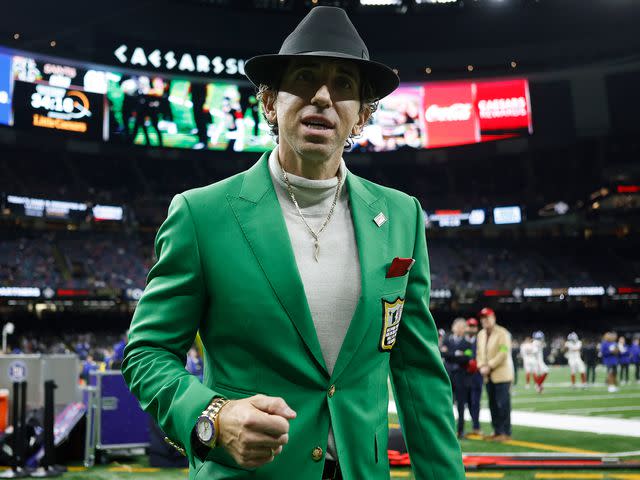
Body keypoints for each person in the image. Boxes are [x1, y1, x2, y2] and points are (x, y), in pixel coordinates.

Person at [122, 7, 465, 480]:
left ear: (362, 115)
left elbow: (418, 375)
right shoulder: (201, 215)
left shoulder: (402, 215)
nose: (323, 96)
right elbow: (147, 352)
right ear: (269, 103)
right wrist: (213, 416)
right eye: (305, 79)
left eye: (344, 84)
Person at [476, 307, 513, 442]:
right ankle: (497, 431)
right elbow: (479, 353)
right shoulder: (480, 334)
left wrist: (489, 366)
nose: (484, 320)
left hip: (501, 374)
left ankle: (505, 432)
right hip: (487, 375)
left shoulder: (503, 333)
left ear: (494, 318)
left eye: (487, 317)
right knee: (492, 404)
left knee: (503, 404)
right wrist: (481, 366)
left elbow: (503, 352)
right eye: (482, 318)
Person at [441, 318, 473, 438]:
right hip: (448, 376)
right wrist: (457, 354)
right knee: (447, 404)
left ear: (465, 329)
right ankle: (447, 430)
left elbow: (467, 358)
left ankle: (460, 430)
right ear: (453, 327)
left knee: (461, 405)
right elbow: (442, 353)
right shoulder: (446, 340)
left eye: (462, 326)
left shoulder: (468, 343)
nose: (460, 328)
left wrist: (451, 354)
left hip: (461, 377)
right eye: (458, 326)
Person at [465, 317, 483, 437]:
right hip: (464, 376)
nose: (472, 328)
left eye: (473, 326)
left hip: (476, 375)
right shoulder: (463, 340)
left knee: (475, 402)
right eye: (470, 326)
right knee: (468, 402)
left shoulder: (480, 340)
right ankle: (473, 426)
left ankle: (476, 426)